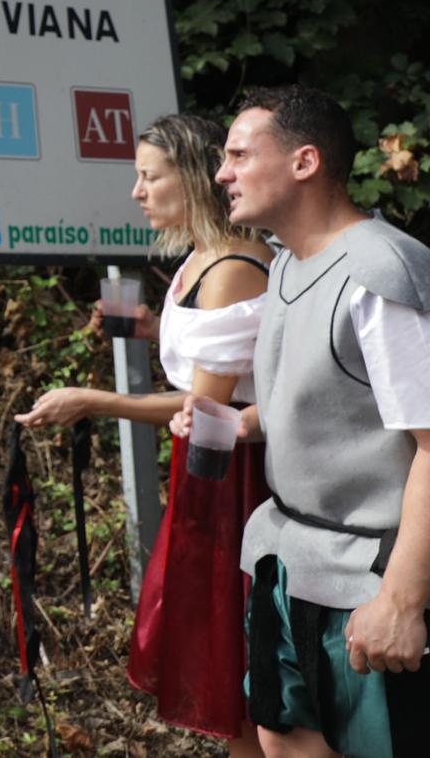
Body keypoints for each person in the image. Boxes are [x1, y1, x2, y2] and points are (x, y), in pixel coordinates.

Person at [175, 87, 430, 758]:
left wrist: (402, 599)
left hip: (369, 573)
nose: (221, 172)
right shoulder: (286, 262)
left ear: (304, 161)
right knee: (282, 736)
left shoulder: (381, 270)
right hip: (285, 560)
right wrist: (237, 423)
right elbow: (338, 404)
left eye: (237, 154)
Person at [17, 113, 272, 753]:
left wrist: (92, 401)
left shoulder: (235, 267)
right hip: (208, 467)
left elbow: (207, 402)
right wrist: (147, 327)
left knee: (234, 661)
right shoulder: (201, 261)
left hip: (238, 476)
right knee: (221, 657)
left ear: (190, 177)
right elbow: (219, 349)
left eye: (149, 176)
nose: (137, 191)